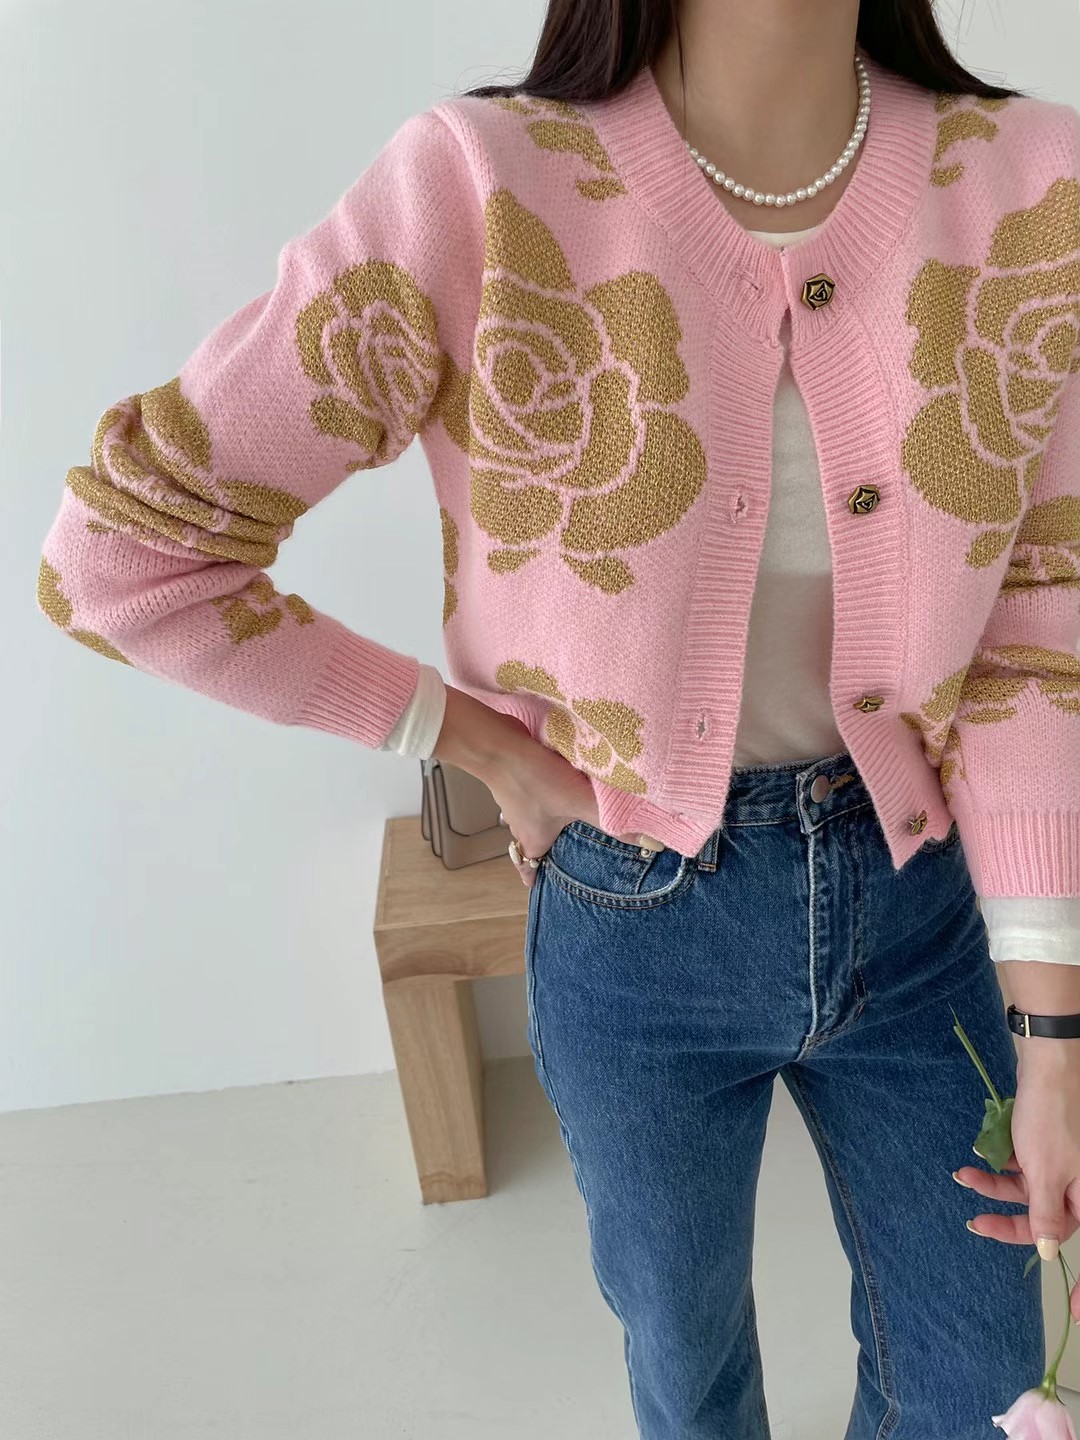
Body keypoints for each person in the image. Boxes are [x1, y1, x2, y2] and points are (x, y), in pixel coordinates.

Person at [37, 0, 1080, 1434]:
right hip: (633, 920)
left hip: (925, 910)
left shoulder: (1032, 186)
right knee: (686, 1367)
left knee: (984, 1386)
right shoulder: (480, 188)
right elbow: (125, 558)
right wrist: (475, 744)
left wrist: (1056, 1032)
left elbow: (1038, 624)